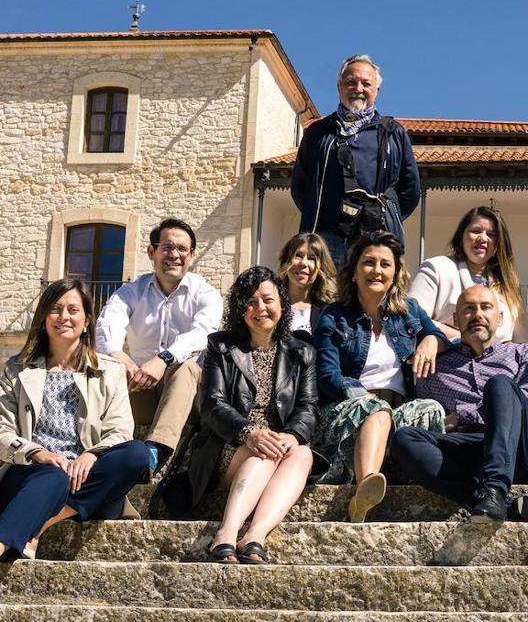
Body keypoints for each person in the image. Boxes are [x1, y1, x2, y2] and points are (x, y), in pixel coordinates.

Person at [159, 267, 323, 564]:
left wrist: (292, 435)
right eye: (250, 301)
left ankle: (255, 535)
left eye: (267, 299)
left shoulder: (303, 352)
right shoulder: (221, 346)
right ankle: (227, 532)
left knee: (303, 455)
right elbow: (212, 405)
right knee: (264, 451)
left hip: (277, 445)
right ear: (239, 310)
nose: (260, 308)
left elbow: (309, 407)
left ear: (282, 305)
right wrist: (249, 432)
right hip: (228, 444)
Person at [0, 279, 150, 561]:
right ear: (44, 317)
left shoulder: (110, 370)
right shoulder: (17, 370)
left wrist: (91, 455)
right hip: (32, 471)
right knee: (52, 476)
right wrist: (38, 453)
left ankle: (40, 524)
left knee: (137, 454)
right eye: (55, 309)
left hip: (86, 476)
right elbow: (1, 428)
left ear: (86, 321)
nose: (64, 317)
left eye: (73, 309)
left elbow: (120, 430)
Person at [312, 231, 451, 522]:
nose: (377, 270)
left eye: (385, 264)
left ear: (395, 273)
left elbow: (435, 333)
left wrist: (431, 340)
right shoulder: (334, 315)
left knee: (430, 409)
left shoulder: (409, 311)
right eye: (368, 262)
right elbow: (327, 376)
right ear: (353, 272)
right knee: (376, 411)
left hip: (398, 409)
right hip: (348, 409)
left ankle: (420, 480)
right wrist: (368, 399)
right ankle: (366, 487)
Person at [392, 285, 528, 523]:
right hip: (475, 448)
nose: (478, 314)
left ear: (499, 318)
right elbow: (431, 419)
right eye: (469, 309)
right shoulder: (435, 368)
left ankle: (495, 488)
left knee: (500, 384)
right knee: (404, 439)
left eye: (486, 307)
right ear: (457, 320)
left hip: (525, 448)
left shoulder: (526, 354)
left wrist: (462, 415)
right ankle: (495, 500)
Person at [96, 218, 222, 473]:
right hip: (140, 386)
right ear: (151, 252)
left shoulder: (206, 293)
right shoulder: (130, 292)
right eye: (167, 247)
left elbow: (203, 334)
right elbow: (107, 323)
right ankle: (92, 451)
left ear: (193, 256)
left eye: (182, 249)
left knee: (187, 368)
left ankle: (155, 451)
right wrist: (120, 357)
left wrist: (164, 358)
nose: (174, 255)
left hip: (190, 398)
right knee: (105, 371)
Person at [290, 53, 421, 268]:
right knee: (325, 299)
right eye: (351, 82)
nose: (358, 88)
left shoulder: (393, 133)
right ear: (339, 86)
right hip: (325, 240)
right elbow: (300, 187)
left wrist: (386, 214)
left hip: (376, 239)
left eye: (366, 83)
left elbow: (410, 191)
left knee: (373, 299)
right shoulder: (318, 133)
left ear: (376, 90)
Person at [410, 206, 528, 345]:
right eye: (475, 231)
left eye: (491, 234)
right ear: (461, 236)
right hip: (447, 360)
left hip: (501, 363)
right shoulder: (437, 268)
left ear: (498, 244)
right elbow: (412, 317)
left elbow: (523, 341)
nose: (482, 238)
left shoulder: (508, 284)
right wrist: (461, 337)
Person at [277, 232, 339, 336]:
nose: (303, 263)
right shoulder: (272, 305)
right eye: (298, 255)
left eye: (312, 258)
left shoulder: (329, 313)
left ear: (321, 267)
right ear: (286, 261)